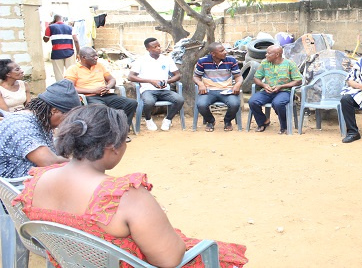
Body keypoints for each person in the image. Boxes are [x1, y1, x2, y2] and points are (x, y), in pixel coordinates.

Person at [13, 104, 248, 268]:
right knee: (220, 254)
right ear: (112, 146)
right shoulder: (123, 195)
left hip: (72, 260)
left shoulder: (36, 180)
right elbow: (169, 260)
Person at [0, 80, 80, 178]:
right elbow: (49, 162)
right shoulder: (21, 125)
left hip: (37, 179)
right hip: (18, 186)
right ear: (54, 111)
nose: (67, 123)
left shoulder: (42, 121)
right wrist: (81, 163)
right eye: (68, 118)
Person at [64, 47, 137, 134]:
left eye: (96, 55)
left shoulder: (99, 66)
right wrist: (93, 90)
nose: (96, 58)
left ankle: (122, 132)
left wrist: (108, 87)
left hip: (106, 94)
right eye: (93, 56)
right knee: (102, 110)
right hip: (89, 97)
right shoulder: (73, 69)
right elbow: (70, 88)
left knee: (131, 103)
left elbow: (112, 79)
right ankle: (108, 135)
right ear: (83, 57)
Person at [128, 37, 184, 131]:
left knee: (179, 100)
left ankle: (168, 119)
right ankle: (148, 119)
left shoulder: (167, 59)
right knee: (149, 102)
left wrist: (167, 82)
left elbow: (177, 75)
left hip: (164, 89)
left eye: (159, 46)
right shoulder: (141, 60)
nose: (158, 48)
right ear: (148, 49)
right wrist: (151, 81)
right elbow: (131, 76)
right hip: (148, 89)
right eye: (155, 47)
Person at [248, 45, 302, 134]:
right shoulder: (265, 63)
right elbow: (256, 78)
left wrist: (281, 86)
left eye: (269, 53)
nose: (266, 55)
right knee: (253, 101)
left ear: (277, 54)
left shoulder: (289, 64)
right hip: (267, 91)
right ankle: (263, 122)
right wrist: (264, 85)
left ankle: (284, 126)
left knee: (278, 103)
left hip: (285, 91)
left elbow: (298, 81)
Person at [193, 42, 242, 132]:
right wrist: (200, 84)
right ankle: (210, 121)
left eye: (224, 49)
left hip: (227, 90)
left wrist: (237, 84)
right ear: (213, 54)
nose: (225, 52)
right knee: (201, 105)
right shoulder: (203, 61)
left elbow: (238, 76)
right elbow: (196, 77)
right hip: (208, 90)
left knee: (235, 104)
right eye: (222, 51)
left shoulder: (231, 60)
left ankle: (227, 121)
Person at [44, 14, 79, 82]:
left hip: (57, 53)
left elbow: (46, 40)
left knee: (59, 74)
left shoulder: (50, 27)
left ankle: (61, 89)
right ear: (62, 19)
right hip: (69, 52)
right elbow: (76, 41)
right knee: (71, 73)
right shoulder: (70, 27)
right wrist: (78, 53)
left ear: (54, 19)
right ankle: (72, 88)